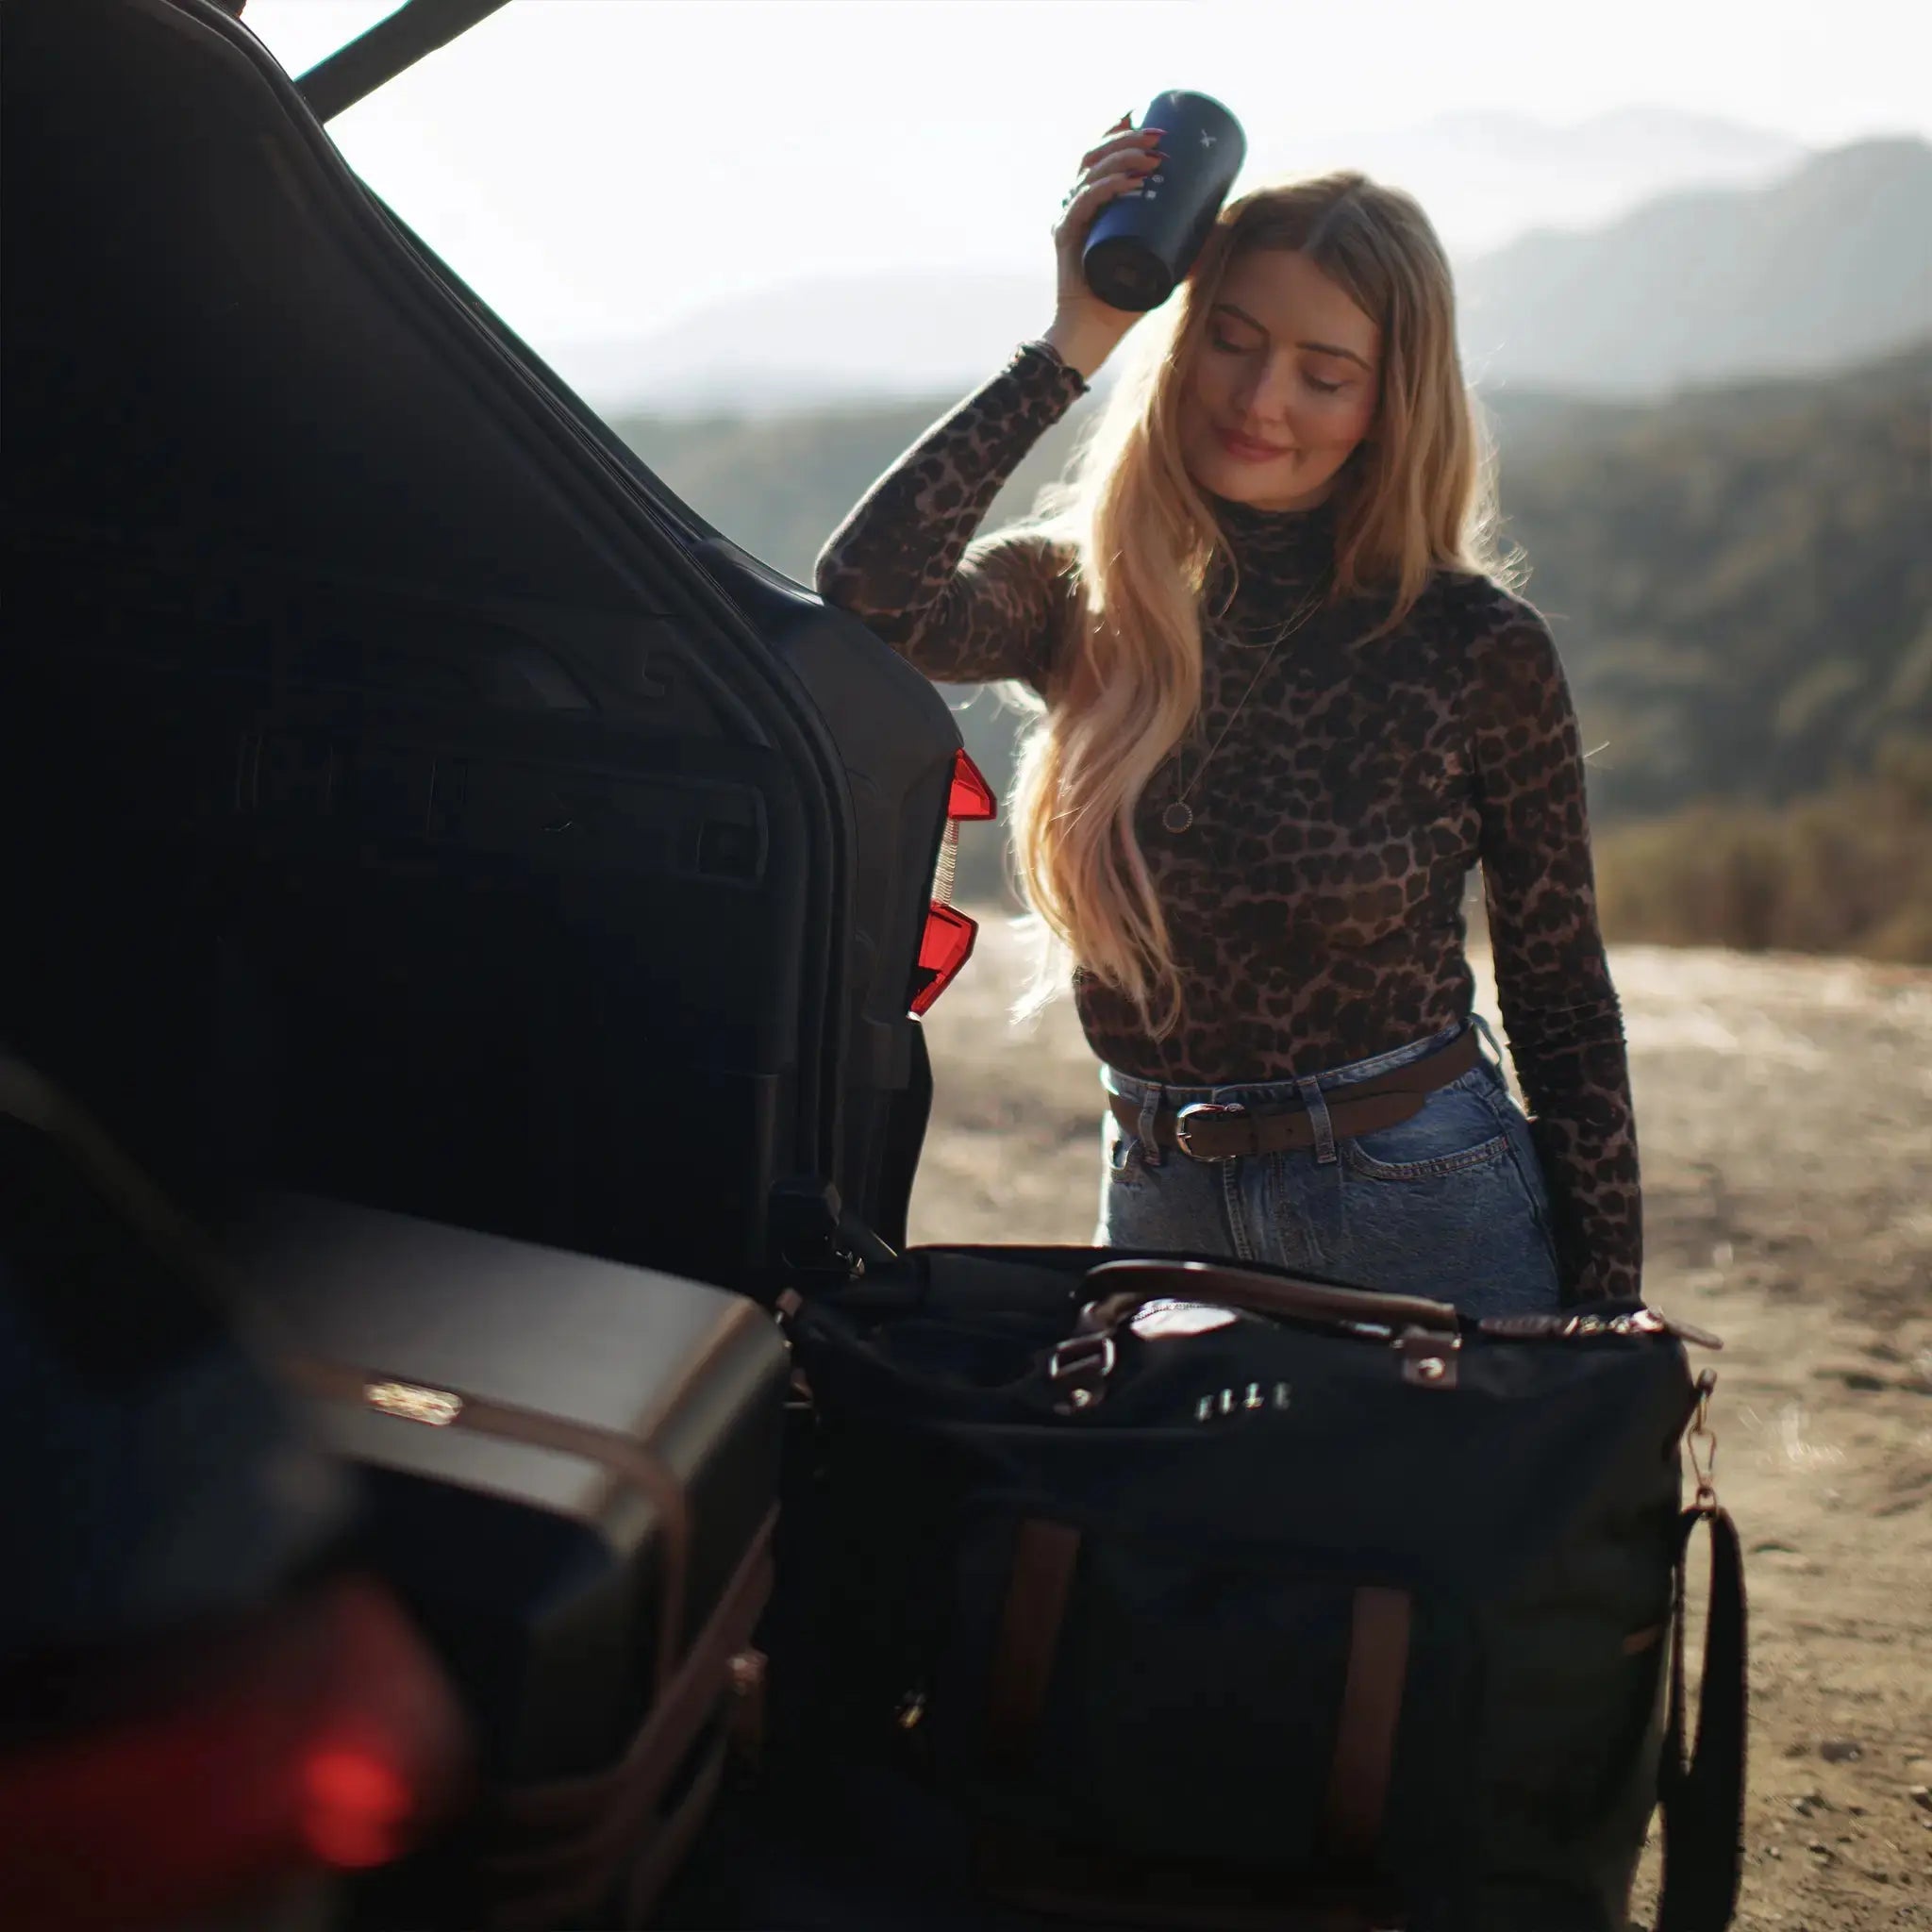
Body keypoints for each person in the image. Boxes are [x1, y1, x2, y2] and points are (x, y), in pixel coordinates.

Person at [813, 115, 1641, 1314]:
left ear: (1386, 400)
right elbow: (866, 599)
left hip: (1417, 1201)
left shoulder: (1471, 646)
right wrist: (1073, 336)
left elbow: (1560, 993)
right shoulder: (1076, 589)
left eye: (1324, 372)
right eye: (1232, 343)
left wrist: (1610, 1307)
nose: (1261, 401)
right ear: (1182, 340)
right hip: (1157, 1193)